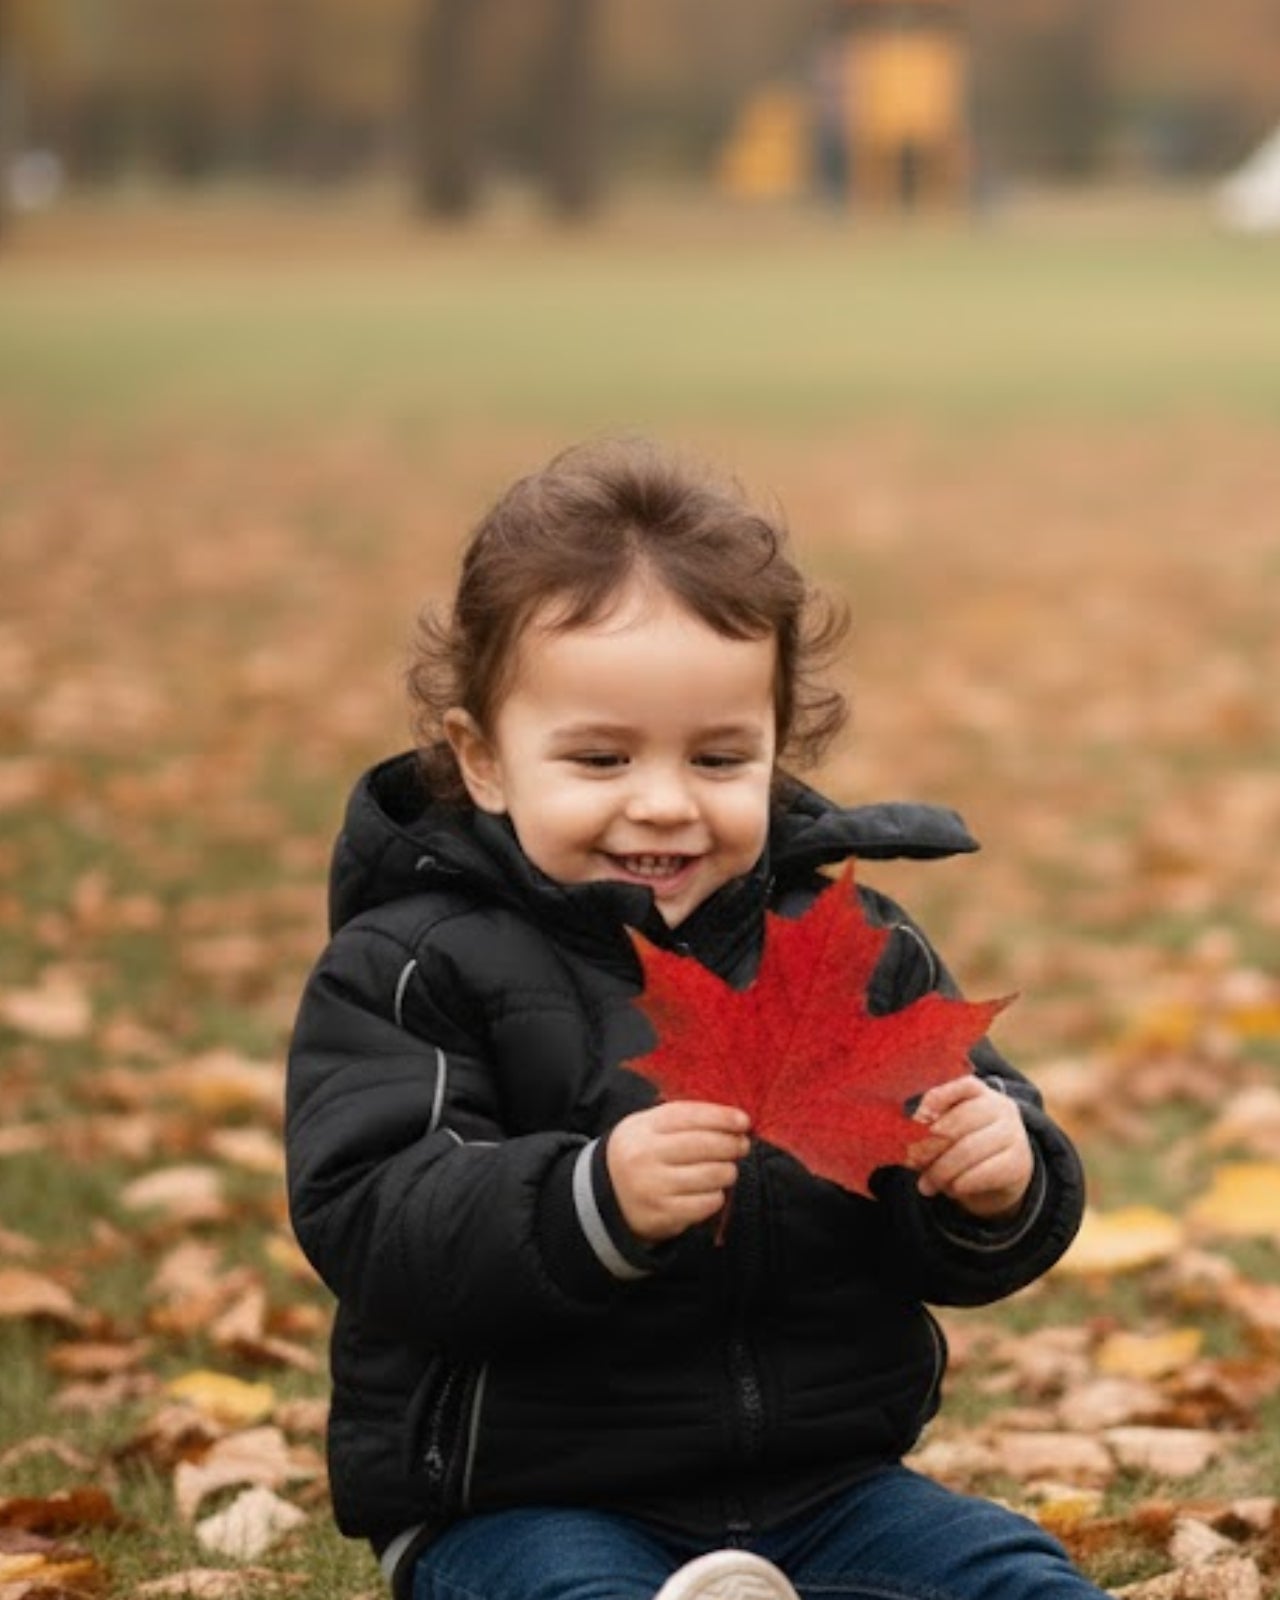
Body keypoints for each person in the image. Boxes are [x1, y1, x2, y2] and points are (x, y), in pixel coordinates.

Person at [286, 439, 1100, 1600]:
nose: (662, 801)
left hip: (825, 1486)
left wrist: (996, 1181)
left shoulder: (841, 950)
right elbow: (374, 1219)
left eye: (719, 756)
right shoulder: (416, 963)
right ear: (482, 759)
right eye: (600, 756)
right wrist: (588, 1201)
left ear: (777, 750)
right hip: (524, 1501)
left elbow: (954, 1184)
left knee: (1013, 1578)